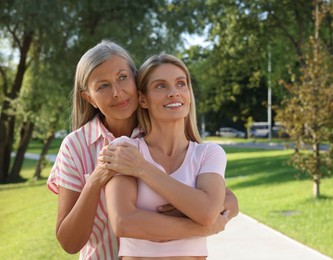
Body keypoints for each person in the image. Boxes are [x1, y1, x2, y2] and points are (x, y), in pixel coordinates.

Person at [47, 40, 238, 259]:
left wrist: (192, 211)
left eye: (122, 78)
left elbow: (227, 199)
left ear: (136, 82)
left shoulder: (160, 129)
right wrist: (98, 177)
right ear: (89, 98)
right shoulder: (76, 146)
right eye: (103, 86)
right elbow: (70, 242)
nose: (117, 92)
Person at [101, 54, 232, 259]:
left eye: (181, 84)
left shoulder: (209, 154)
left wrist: (143, 169)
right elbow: (124, 222)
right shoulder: (124, 149)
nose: (173, 93)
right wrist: (198, 227)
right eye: (161, 86)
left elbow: (207, 211)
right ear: (143, 99)